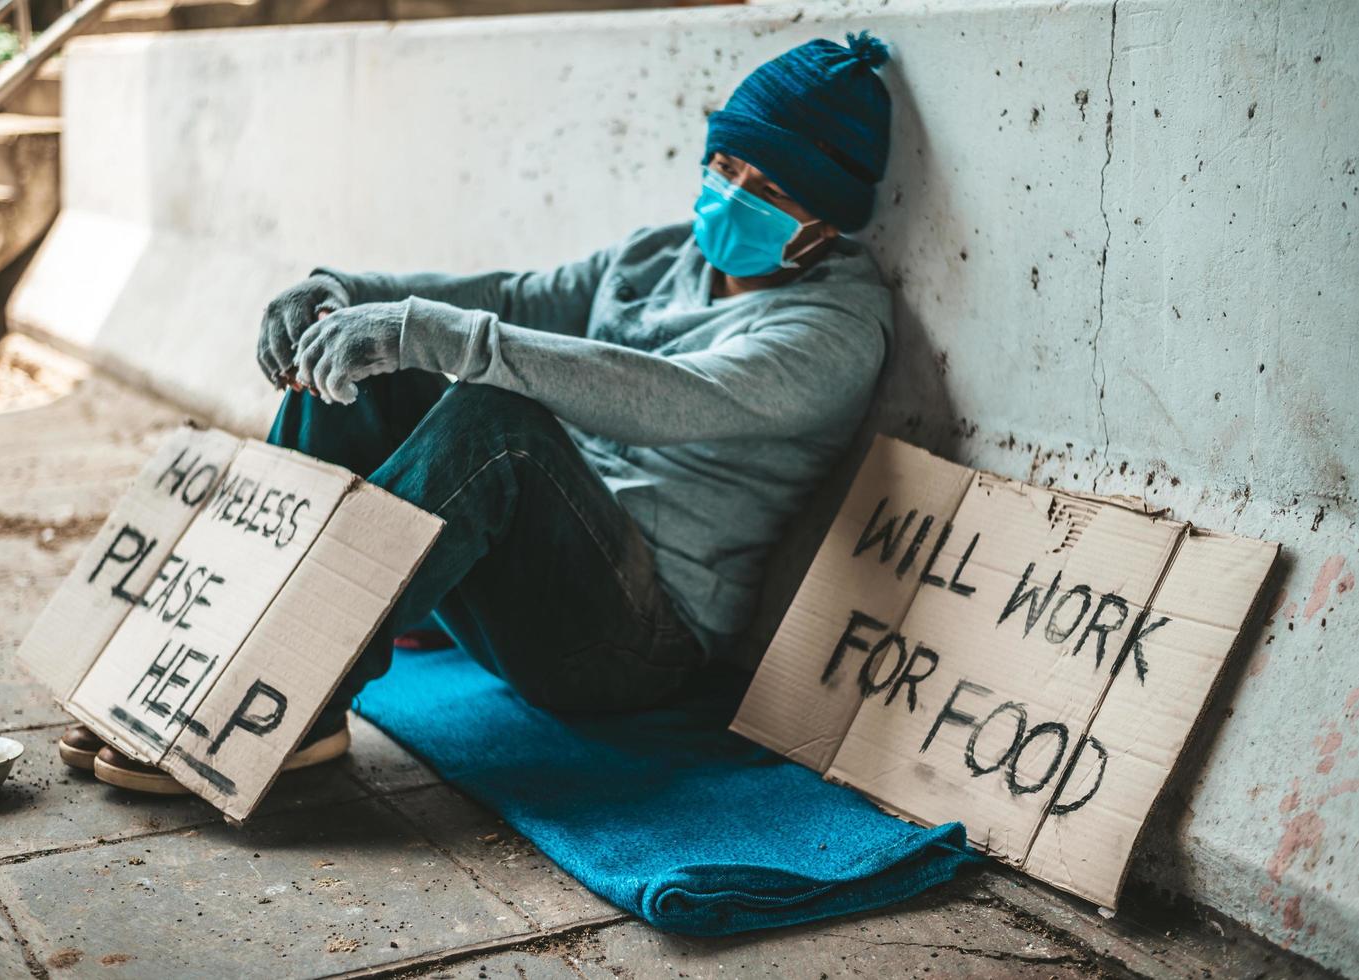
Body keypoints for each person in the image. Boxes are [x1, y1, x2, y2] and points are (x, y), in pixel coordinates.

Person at [70, 31, 896, 793]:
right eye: (725, 166)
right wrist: (347, 296)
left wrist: (424, 332)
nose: (731, 195)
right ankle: (216, 645)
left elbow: (663, 396)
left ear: (823, 224)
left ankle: (281, 694)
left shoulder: (834, 332)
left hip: (631, 643)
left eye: (770, 189)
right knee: (361, 359)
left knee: (498, 425)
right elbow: (512, 298)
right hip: (526, 589)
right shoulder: (663, 255)